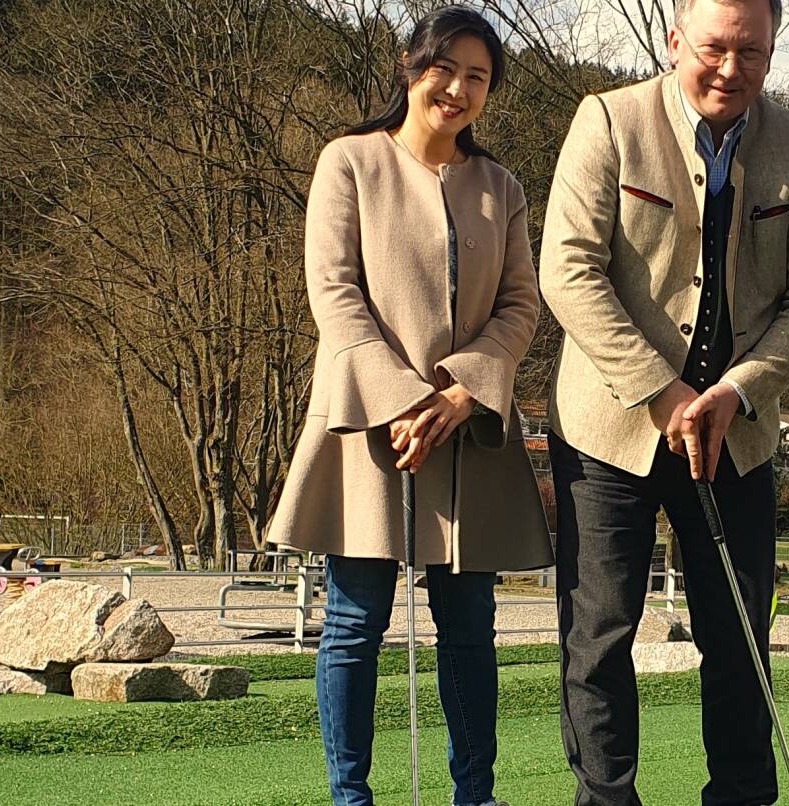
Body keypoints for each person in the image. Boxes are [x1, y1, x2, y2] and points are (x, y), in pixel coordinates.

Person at [538, 0, 789, 802]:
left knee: (740, 639)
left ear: (772, 50)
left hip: (737, 435)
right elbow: (568, 271)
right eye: (714, 47)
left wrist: (737, 392)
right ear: (676, 42)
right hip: (609, 427)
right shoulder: (606, 121)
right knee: (599, 637)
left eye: (753, 51)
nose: (730, 68)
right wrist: (663, 388)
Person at [269, 7, 553, 805]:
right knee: (356, 621)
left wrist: (463, 393)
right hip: (367, 424)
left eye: (479, 77)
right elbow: (334, 292)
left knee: (470, 626)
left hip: (470, 433)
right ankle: (349, 796)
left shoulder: (503, 188)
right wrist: (402, 399)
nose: (458, 89)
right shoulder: (348, 162)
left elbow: (521, 305)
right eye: (446, 70)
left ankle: (476, 795)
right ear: (409, 67)